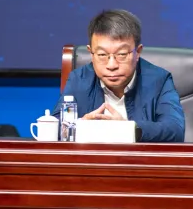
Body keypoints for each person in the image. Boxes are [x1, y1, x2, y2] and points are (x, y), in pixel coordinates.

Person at [55, 9, 185, 143]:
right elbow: (56, 126)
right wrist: (79, 125)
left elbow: (175, 130)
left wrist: (128, 128)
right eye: (102, 55)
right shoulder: (78, 79)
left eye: (122, 54)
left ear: (138, 52)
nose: (111, 65)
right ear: (91, 53)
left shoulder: (159, 80)